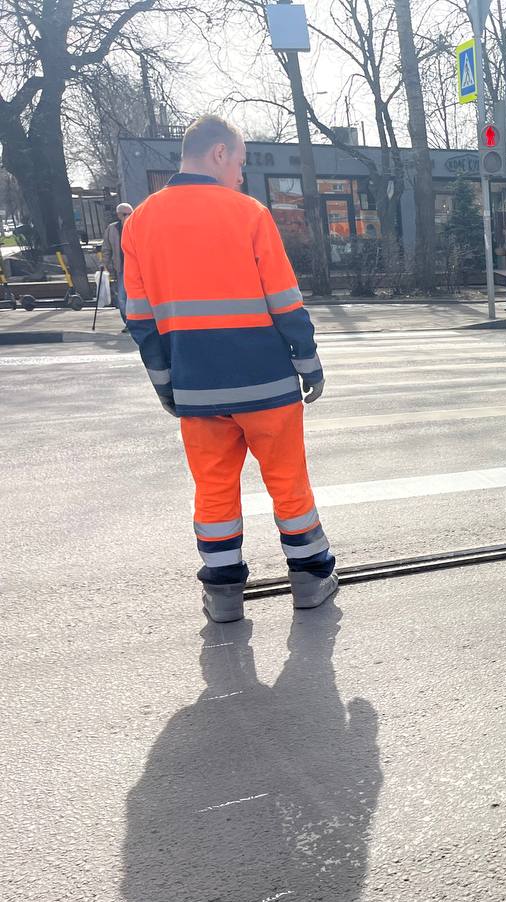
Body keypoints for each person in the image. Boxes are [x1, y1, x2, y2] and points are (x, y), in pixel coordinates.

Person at [122, 114, 337, 623]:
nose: (241, 175)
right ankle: (310, 580)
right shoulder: (249, 214)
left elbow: (140, 320)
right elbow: (286, 302)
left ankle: (222, 596)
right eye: (239, 163)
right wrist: (309, 364)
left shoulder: (140, 223)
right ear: (219, 154)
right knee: (288, 482)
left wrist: (166, 386)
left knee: (214, 489)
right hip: (266, 385)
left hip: (197, 390)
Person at [100, 202, 133, 331]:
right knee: (122, 298)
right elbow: (107, 249)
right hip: (122, 269)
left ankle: (136, 322)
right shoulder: (112, 229)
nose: (128, 216)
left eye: (130, 214)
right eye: (126, 214)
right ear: (119, 215)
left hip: (138, 270)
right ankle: (128, 323)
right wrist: (104, 263)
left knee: (135, 298)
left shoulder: (137, 225)